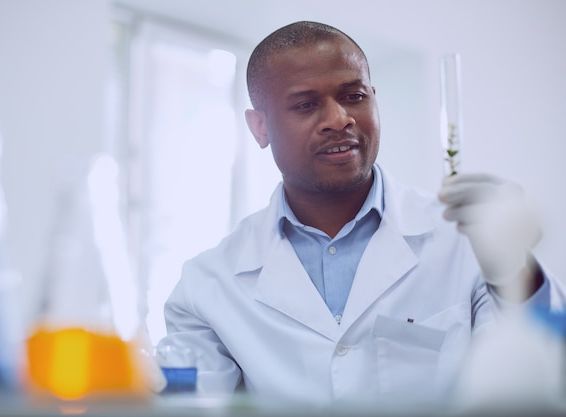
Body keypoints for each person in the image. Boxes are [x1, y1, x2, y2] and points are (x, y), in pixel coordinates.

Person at [159, 21, 566, 404]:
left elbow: (540, 380)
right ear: (260, 128)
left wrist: (516, 273)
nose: (339, 119)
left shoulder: (462, 243)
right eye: (305, 104)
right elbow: (188, 408)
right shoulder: (208, 286)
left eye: (354, 96)